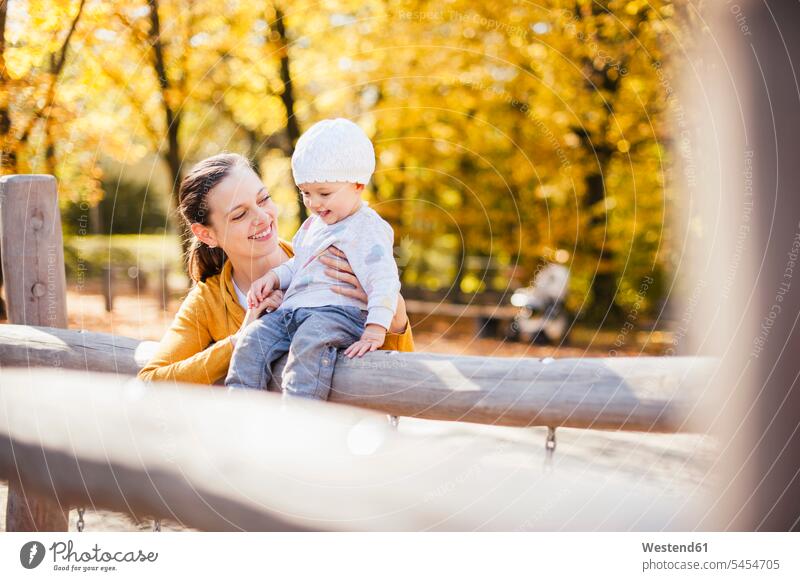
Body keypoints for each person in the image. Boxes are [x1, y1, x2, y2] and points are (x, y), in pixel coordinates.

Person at [137, 151, 413, 386]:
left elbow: (402, 377)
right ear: (206, 234)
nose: (262, 217)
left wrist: (394, 312)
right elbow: (150, 381)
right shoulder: (208, 301)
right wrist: (238, 341)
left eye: (263, 199)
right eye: (240, 214)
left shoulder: (334, 263)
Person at [225, 118, 401, 399]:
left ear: (358, 185)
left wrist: (375, 330)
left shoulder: (367, 227)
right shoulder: (313, 226)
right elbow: (299, 263)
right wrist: (273, 277)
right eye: (306, 193)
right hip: (293, 311)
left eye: (324, 193)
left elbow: (384, 280)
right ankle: (241, 410)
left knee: (308, 345)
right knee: (252, 339)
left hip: (338, 312)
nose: (314, 203)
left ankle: (300, 418)